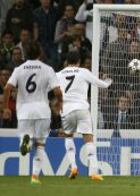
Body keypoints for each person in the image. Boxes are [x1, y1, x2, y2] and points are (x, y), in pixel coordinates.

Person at [2, 41, 63, 184]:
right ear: (40, 53)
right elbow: (57, 91)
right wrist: (60, 102)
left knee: (25, 136)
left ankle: (26, 139)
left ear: (24, 54)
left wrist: (5, 108)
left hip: (24, 110)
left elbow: (7, 88)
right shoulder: (47, 69)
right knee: (40, 144)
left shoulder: (19, 69)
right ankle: (35, 176)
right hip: (42, 110)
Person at [56, 51, 112, 181]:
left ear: (66, 62)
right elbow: (102, 84)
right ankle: (93, 172)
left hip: (66, 109)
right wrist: (108, 81)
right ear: (79, 61)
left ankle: (73, 166)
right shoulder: (83, 72)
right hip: (82, 108)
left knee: (69, 137)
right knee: (89, 140)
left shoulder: (58, 74)